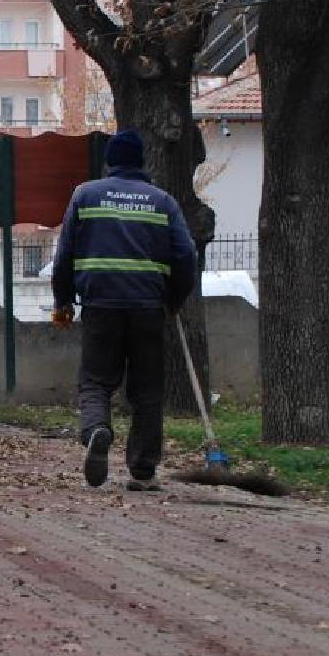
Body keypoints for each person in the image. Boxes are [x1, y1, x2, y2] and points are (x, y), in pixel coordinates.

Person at [50, 128, 198, 491]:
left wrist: (63, 300)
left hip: (100, 304)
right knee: (147, 389)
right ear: (141, 162)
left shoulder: (85, 195)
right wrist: (173, 299)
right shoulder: (163, 202)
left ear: (109, 162)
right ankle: (143, 471)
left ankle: (96, 430)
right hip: (148, 308)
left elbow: (64, 254)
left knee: (96, 380)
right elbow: (186, 256)